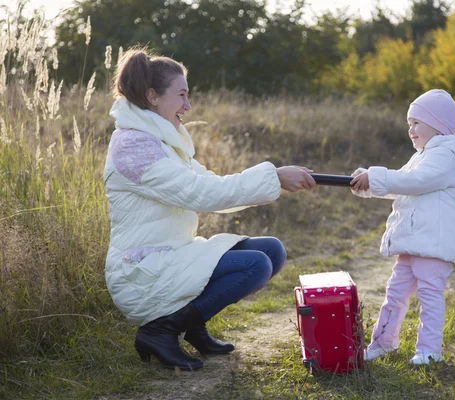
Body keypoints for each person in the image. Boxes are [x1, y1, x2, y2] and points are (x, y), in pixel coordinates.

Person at [103, 46, 316, 371]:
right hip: (141, 271)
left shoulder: (162, 143)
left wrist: (275, 178)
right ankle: (161, 330)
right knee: (255, 266)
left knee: (272, 251)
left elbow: (211, 184)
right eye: (182, 95)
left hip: (169, 256)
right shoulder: (134, 147)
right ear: (152, 96)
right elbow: (200, 193)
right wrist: (274, 176)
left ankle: (192, 324)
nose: (188, 106)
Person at [350, 89, 455, 365]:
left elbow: (415, 182)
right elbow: (402, 185)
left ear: (439, 125)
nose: (410, 129)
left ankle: (429, 351)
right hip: (414, 241)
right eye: (409, 123)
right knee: (394, 293)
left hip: (433, 244)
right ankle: (383, 344)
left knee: (430, 296)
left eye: (416, 123)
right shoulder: (423, 154)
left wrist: (376, 174)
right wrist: (370, 184)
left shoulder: (446, 156)